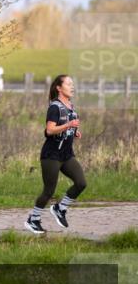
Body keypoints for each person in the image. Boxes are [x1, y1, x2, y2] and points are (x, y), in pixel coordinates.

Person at [25, 75, 86, 234]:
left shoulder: (71, 106)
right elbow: (50, 130)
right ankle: (33, 219)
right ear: (59, 88)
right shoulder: (54, 107)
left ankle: (60, 208)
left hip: (66, 154)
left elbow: (67, 128)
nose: (72, 86)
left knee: (81, 183)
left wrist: (74, 131)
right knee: (49, 191)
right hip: (51, 155)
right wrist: (68, 125)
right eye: (68, 84)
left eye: (72, 84)